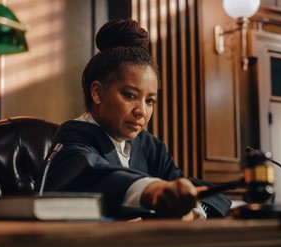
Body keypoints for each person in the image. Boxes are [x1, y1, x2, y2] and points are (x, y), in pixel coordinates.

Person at [42, 18, 231, 220]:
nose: (142, 111)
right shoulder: (73, 136)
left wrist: (191, 211)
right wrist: (152, 190)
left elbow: (184, 185)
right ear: (97, 93)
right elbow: (94, 175)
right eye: (130, 95)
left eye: (150, 101)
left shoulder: (151, 146)